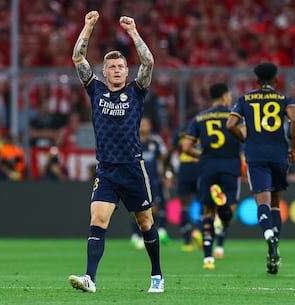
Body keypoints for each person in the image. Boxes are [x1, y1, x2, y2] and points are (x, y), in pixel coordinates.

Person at [68, 11, 164, 293]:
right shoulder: (95, 90)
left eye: (121, 66)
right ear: (105, 71)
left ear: (126, 70)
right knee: (97, 219)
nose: (118, 70)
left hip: (133, 167)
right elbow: (77, 58)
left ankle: (156, 275)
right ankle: (91, 279)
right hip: (107, 169)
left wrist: (133, 32)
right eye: (112, 67)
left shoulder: (137, 90)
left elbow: (148, 61)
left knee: (145, 222)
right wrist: (87, 27)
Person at [226, 62, 295, 275]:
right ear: (276, 80)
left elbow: (230, 124)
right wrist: (294, 148)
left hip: (256, 155)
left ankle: (269, 235)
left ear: (256, 81)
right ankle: (274, 250)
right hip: (279, 154)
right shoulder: (284, 99)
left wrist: (244, 138)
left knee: (262, 200)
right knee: (275, 202)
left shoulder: (245, 99)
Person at [182, 83, 242, 270]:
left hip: (208, 167)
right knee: (228, 213)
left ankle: (208, 258)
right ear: (224, 97)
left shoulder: (200, 118)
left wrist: (203, 154)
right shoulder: (235, 116)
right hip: (230, 165)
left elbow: (185, 148)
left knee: (207, 212)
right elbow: (245, 136)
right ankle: (223, 206)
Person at [165, 113, 203, 252]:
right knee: (203, 203)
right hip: (200, 168)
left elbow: (170, 152)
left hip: (185, 170)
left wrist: (168, 172)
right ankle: (199, 230)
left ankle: (187, 242)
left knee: (184, 206)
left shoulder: (180, 131)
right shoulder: (202, 126)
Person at [130, 116, 170, 249]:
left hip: (152, 180)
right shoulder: (132, 140)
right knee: (137, 208)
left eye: (147, 123)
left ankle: (155, 232)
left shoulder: (155, 141)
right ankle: (136, 235)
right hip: (136, 180)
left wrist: (166, 175)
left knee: (154, 208)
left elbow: (164, 158)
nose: (144, 126)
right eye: (142, 123)